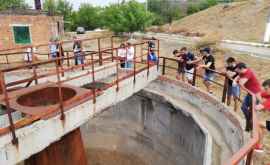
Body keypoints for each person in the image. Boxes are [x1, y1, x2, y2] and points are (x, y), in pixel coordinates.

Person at [234, 63, 262, 132]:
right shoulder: (242, 72)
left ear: (241, 68)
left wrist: (238, 83)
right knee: (243, 107)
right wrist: (235, 80)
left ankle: (251, 127)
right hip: (250, 93)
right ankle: (249, 121)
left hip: (255, 94)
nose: (236, 71)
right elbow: (238, 77)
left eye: (237, 69)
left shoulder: (248, 73)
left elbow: (241, 83)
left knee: (252, 112)